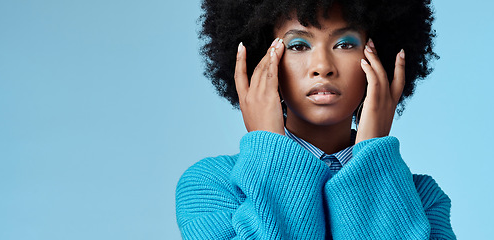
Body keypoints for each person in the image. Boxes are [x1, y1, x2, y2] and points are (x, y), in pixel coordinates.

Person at [176, 0, 455, 239]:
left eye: (345, 44)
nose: (322, 66)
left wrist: (372, 155)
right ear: (262, 61)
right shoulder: (211, 185)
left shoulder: (422, 199)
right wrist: (271, 150)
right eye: (298, 45)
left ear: (379, 59)